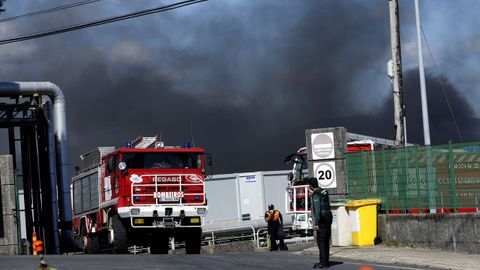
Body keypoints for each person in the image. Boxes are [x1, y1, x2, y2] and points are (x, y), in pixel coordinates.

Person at [308, 177, 332, 268]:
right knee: (326, 240)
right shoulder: (324, 191)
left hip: (322, 219)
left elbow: (317, 210)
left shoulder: (316, 194)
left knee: (321, 240)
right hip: (328, 217)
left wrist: (317, 223)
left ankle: (323, 262)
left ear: (310, 186)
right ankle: (326, 261)